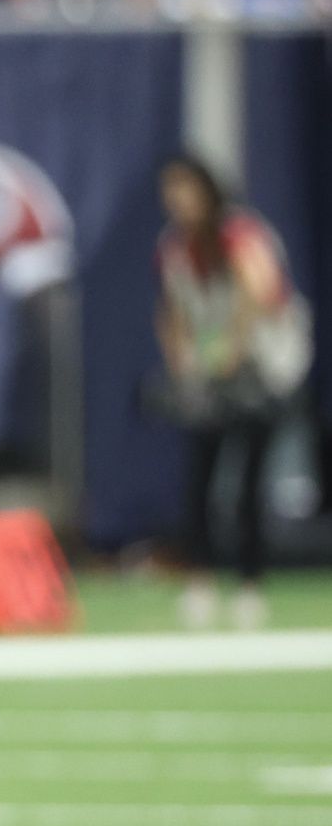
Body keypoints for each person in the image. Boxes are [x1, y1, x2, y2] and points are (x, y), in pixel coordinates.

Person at [154, 154, 310, 630]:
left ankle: (249, 585)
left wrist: (232, 350)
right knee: (199, 478)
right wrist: (183, 361)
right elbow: (172, 311)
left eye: (187, 188)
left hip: (262, 371)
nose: (179, 199)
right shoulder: (174, 247)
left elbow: (258, 293)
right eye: (171, 190)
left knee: (248, 481)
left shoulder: (241, 234)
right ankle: (200, 581)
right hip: (212, 373)